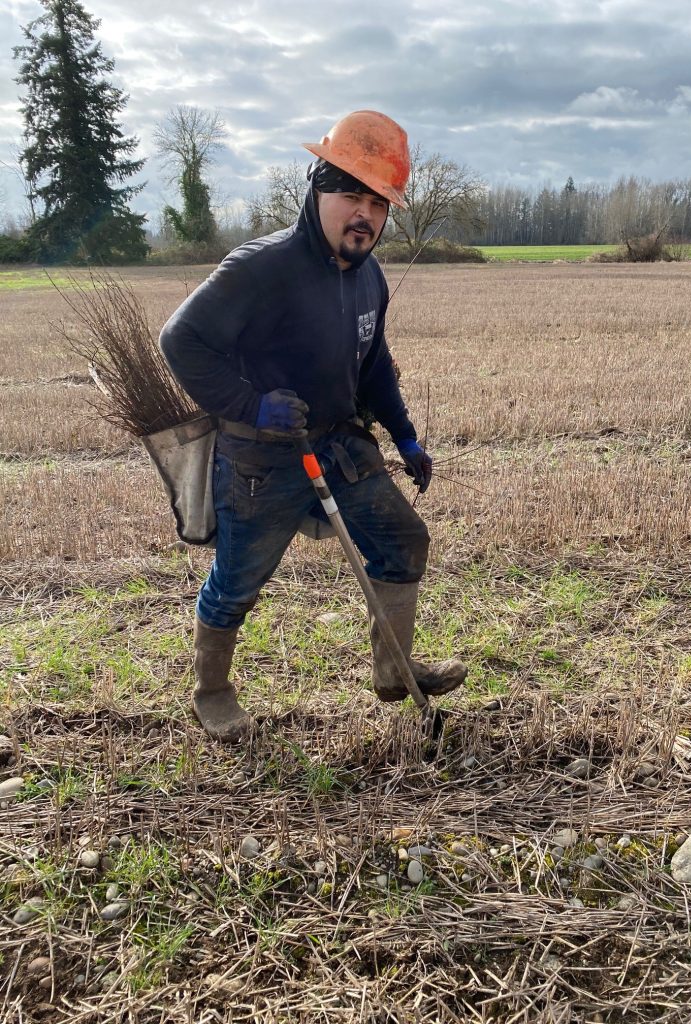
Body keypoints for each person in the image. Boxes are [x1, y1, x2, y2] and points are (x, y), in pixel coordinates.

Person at [159, 110, 467, 742]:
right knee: (238, 582)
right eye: (351, 193)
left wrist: (404, 436)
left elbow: (373, 361)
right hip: (260, 460)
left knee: (402, 538)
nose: (365, 214)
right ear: (317, 187)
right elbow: (180, 341)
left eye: (379, 203)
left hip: (340, 442)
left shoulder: (370, 276)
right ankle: (212, 691)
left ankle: (392, 668)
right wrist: (250, 405)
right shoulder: (261, 267)